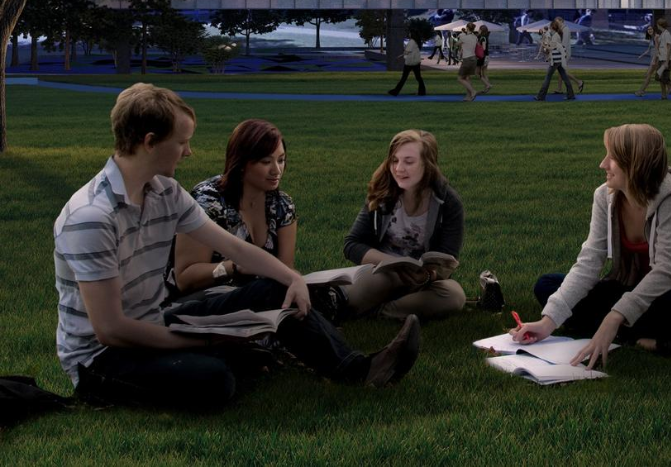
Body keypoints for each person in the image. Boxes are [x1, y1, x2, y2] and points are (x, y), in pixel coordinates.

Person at [53, 85, 420, 412]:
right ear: (149, 142)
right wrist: (210, 338)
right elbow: (111, 330)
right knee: (216, 381)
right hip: (103, 358)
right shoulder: (92, 217)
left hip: (155, 318)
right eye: (181, 143)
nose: (189, 152)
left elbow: (235, 248)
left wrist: (291, 277)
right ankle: (208, 361)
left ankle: (359, 369)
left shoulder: (164, 192)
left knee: (274, 287)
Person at [517, 124, 671, 366]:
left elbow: (667, 271)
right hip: (626, 288)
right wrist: (548, 323)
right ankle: (640, 335)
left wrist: (614, 315)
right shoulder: (604, 197)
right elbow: (589, 261)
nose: (603, 164)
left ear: (635, 163)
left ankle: (619, 328)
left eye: (612, 157)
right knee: (548, 285)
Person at [338, 129, 467, 321]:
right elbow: (352, 244)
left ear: (427, 164)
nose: (399, 168)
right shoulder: (382, 193)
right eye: (394, 160)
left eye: (409, 161)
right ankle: (374, 305)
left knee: (454, 296)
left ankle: (381, 312)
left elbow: (449, 257)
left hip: (424, 279)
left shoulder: (448, 202)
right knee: (352, 297)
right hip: (383, 273)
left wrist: (427, 276)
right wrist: (392, 264)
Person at [167, 120, 297, 310]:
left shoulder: (282, 205)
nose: (276, 170)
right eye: (266, 161)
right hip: (204, 298)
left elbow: (286, 270)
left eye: (281, 160)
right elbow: (185, 279)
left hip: (260, 295)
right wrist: (233, 267)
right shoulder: (208, 201)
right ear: (242, 162)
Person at [637, 15, 671, 100]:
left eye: (657, 24)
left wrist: (665, 62)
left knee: (662, 77)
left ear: (659, 25)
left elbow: (669, 48)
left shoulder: (666, 34)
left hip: (666, 60)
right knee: (659, 77)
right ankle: (670, 91)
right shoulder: (661, 35)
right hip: (661, 59)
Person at [538, 16, 579, 101]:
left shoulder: (557, 35)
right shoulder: (558, 34)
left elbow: (555, 46)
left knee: (548, 77)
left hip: (556, 58)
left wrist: (545, 47)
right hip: (559, 58)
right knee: (564, 76)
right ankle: (571, 95)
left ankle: (541, 96)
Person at [386, 31, 426, 96]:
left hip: (409, 63)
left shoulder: (411, 42)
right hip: (416, 62)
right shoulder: (416, 42)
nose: (409, 34)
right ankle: (422, 91)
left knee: (404, 78)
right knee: (418, 77)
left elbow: (407, 51)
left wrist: (400, 57)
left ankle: (395, 91)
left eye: (410, 33)